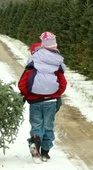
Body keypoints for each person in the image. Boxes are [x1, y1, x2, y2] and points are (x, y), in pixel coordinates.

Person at [18, 31, 67, 162]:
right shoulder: (55, 64)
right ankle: (45, 153)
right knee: (48, 126)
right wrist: (56, 94)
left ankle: (34, 146)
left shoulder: (33, 63)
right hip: (51, 101)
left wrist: (28, 95)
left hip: (35, 101)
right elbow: (63, 83)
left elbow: (22, 84)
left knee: (36, 125)